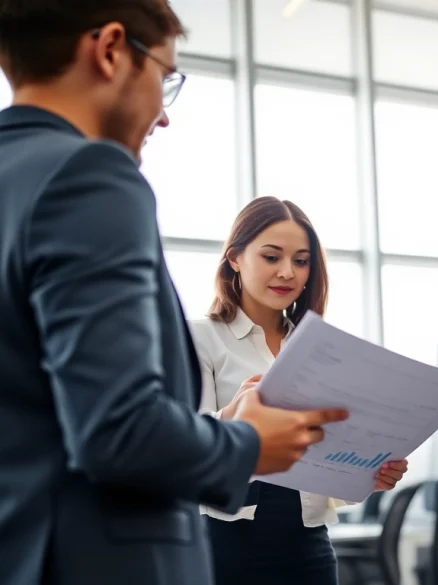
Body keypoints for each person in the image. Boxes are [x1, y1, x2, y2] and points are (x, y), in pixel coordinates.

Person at [0, 3, 348, 585]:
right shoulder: (89, 175)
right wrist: (245, 442)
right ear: (111, 49)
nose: (163, 116)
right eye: (165, 78)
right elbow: (119, 429)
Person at [190, 196, 410, 585]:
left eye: (301, 260)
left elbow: (331, 467)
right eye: (272, 257)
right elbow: (184, 447)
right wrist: (234, 416)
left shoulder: (318, 348)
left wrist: (370, 473)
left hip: (308, 545)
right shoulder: (202, 338)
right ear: (235, 258)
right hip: (225, 543)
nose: (287, 272)